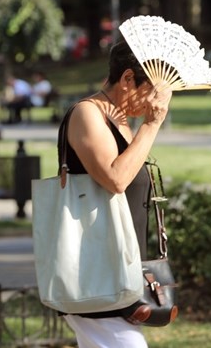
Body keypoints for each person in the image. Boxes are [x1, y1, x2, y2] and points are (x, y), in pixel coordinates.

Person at [59, 38, 172, 348]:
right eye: (154, 91)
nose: (156, 102)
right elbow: (116, 179)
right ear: (127, 79)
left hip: (116, 271)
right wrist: (153, 124)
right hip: (93, 271)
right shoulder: (87, 114)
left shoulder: (120, 121)